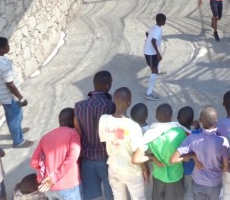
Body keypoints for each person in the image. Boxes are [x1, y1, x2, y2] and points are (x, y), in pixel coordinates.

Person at [99, 87, 148, 200]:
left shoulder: (103, 120)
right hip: (132, 171)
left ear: (114, 100)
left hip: (113, 168)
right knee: (138, 198)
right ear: (129, 102)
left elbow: (103, 142)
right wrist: (145, 169)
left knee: (118, 197)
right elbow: (137, 153)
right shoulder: (134, 126)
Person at [171, 107, 229, 200]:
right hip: (215, 183)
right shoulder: (223, 141)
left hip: (198, 183)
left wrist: (193, 156)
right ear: (216, 122)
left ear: (200, 120)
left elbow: (173, 159)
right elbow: (226, 167)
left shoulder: (192, 138)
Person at [132, 103, 187, 200]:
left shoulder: (150, 134)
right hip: (175, 176)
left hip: (158, 175)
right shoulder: (179, 132)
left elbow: (136, 159)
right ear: (170, 117)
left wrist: (152, 158)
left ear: (156, 117)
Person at [74, 71, 115, 200]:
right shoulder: (111, 106)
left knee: (88, 196)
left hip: (87, 158)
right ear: (107, 85)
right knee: (112, 194)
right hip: (107, 158)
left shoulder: (79, 106)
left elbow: (78, 133)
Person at [0, 37, 32, 148]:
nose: (9, 47)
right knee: (16, 117)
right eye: (7, 45)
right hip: (10, 97)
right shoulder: (3, 65)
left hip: (4, 96)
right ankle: (18, 141)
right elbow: (10, 85)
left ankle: (16, 132)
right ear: (1, 49)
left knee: (11, 117)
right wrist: (21, 98)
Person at [31, 108, 81, 200]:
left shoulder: (45, 137)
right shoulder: (73, 134)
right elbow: (73, 157)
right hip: (68, 186)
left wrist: (47, 177)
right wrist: (53, 178)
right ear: (72, 121)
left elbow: (34, 162)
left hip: (49, 188)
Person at [144, 14, 167, 101]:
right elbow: (153, 40)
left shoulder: (154, 27)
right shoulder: (158, 30)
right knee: (154, 69)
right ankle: (149, 93)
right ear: (161, 21)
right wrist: (158, 53)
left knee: (157, 62)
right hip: (150, 52)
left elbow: (147, 33)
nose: (165, 22)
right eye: (164, 20)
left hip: (150, 50)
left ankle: (158, 71)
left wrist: (147, 40)